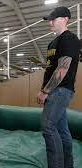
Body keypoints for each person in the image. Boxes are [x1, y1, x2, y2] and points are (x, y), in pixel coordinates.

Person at [37, 6, 80, 168]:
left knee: (48, 127)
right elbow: (51, 69)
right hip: (54, 91)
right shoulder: (52, 43)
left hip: (60, 90)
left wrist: (45, 91)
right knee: (62, 131)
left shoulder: (68, 39)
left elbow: (63, 69)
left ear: (65, 20)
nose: (50, 23)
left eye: (53, 19)